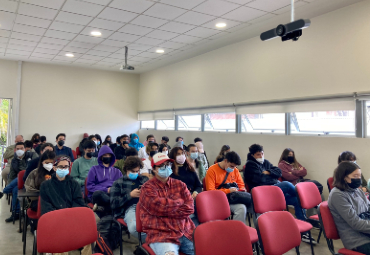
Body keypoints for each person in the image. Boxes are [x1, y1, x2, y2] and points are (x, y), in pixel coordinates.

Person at [139, 152, 195, 255]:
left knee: (209, 249)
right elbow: (159, 206)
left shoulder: (180, 185)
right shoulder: (147, 188)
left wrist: (166, 210)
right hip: (161, 234)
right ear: (154, 169)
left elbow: (190, 208)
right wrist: (180, 202)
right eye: (161, 166)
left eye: (168, 165)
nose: (166, 167)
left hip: (185, 231)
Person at [244, 144, 308, 229]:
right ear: (252, 155)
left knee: (297, 200)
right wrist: (272, 176)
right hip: (263, 192)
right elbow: (260, 179)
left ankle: (304, 229)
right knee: (286, 184)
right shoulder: (250, 165)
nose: (261, 156)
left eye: (262, 153)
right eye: (258, 154)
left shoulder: (265, 162)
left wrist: (268, 172)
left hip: (274, 190)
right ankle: (304, 197)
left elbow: (279, 172)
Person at [40, 156, 91, 255]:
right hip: (55, 222)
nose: (64, 169)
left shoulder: (74, 184)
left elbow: (79, 203)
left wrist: (70, 217)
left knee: (92, 237)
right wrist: (60, 218)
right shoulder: (45, 185)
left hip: (72, 219)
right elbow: (46, 207)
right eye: (61, 167)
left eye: (66, 167)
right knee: (60, 242)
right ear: (54, 168)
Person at [328, 162, 370, 254]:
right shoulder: (337, 194)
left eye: (359, 176)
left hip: (366, 231)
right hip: (356, 239)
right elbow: (356, 223)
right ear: (344, 177)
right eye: (355, 176)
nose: (359, 179)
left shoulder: (357, 191)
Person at [205, 151, 250, 224]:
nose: (233, 168)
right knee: (239, 209)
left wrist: (242, 190)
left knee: (248, 206)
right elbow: (211, 191)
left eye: (235, 167)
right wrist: (228, 191)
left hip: (233, 198)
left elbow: (241, 184)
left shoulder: (235, 170)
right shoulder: (212, 170)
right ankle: (233, 232)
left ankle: (239, 232)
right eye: (232, 166)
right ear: (225, 161)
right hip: (218, 200)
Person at [110, 156, 149, 239]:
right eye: (133, 171)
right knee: (134, 228)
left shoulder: (144, 180)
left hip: (147, 206)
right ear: (126, 169)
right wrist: (130, 195)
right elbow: (113, 204)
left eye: (137, 171)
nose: (135, 173)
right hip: (129, 209)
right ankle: (157, 241)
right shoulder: (118, 183)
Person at [1, 142, 38, 222]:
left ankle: (4, 191)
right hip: (20, 182)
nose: (19, 150)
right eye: (18, 149)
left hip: (32, 180)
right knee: (15, 189)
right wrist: (10, 184)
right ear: (15, 150)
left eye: (21, 148)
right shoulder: (14, 160)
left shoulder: (32, 155)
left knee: (23, 174)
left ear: (25, 149)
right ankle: (16, 213)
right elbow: (11, 175)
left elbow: (33, 170)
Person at [86, 145, 122, 215]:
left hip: (113, 194)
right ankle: (116, 205)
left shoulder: (117, 171)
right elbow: (90, 186)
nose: (107, 157)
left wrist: (113, 190)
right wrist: (106, 190)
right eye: (105, 155)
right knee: (98, 193)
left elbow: (121, 185)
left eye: (109, 155)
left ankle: (105, 208)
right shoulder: (94, 169)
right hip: (99, 194)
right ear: (101, 157)